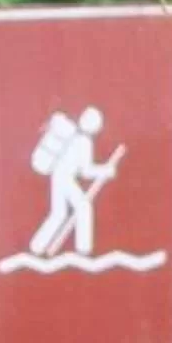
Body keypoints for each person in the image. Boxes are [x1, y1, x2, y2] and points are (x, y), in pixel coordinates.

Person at [27, 107, 123, 256]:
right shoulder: (84, 141)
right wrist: (107, 171)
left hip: (58, 176)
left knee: (59, 213)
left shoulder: (72, 134)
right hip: (65, 178)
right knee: (83, 207)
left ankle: (36, 247)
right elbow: (85, 171)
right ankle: (83, 250)